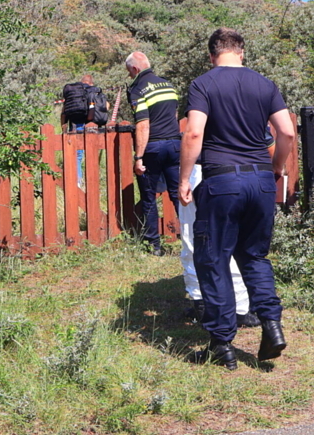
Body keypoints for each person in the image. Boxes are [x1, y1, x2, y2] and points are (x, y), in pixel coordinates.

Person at [179, 28, 295, 370]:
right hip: (260, 180)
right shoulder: (265, 83)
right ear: (241, 52)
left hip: (222, 180)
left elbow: (194, 131)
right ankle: (271, 325)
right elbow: (286, 131)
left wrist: (184, 178)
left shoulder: (203, 84)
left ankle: (221, 344)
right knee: (254, 255)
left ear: (213, 54)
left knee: (213, 258)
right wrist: (274, 167)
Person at [179, 122, 277, 330]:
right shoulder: (249, 101)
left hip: (207, 171)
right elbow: (273, 141)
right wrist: (272, 173)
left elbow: (192, 135)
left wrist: (183, 178)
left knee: (201, 242)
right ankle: (238, 307)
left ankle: (205, 303)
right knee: (238, 246)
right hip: (245, 174)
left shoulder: (203, 98)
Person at [125, 52, 182, 256]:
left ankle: (154, 246)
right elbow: (174, 115)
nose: (130, 76)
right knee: (179, 195)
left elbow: (143, 125)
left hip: (154, 148)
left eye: (129, 73)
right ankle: (192, 241)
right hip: (175, 144)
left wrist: (139, 157)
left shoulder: (138, 89)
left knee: (149, 198)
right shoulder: (167, 84)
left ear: (135, 69)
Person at [60, 74, 94, 189]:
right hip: (86, 127)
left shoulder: (72, 95)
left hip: (73, 126)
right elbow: (92, 114)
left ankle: (77, 181)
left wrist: (64, 129)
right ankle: (81, 182)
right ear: (91, 83)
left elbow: (63, 113)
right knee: (85, 154)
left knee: (76, 155)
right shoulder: (88, 93)